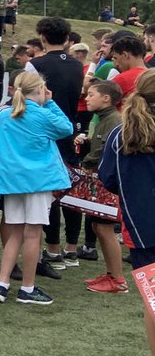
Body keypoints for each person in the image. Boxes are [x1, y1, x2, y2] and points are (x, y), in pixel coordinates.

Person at [0, 71, 73, 307]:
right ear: (39, 90)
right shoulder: (42, 114)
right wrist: (51, 101)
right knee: (33, 234)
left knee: (15, 232)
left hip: (11, 181)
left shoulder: (2, 114)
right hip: (38, 181)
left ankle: (2, 283)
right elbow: (66, 128)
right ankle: (27, 287)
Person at [97, 69, 155, 356]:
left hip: (142, 223)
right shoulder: (125, 131)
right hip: (141, 222)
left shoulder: (123, 132)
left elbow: (108, 178)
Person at [27, 17, 88, 276]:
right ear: (67, 39)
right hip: (69, 130)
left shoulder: (35, 64)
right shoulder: (77, 65)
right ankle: (71, 247)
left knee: (48, 192)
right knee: (70, 189)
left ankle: (52, 248)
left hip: (45, 130)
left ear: (42, 37)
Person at [76, 79, 127, 293]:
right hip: (101, 179)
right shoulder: (104, 118)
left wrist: (86, 161)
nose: (86, 98)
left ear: (106, 98)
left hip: (106, 180)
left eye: (91, 95)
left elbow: (106, 150)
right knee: (98, 227)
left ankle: (118, 279)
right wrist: (87, 142)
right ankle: (111, 274)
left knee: (104, 228)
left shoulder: (113, 120)